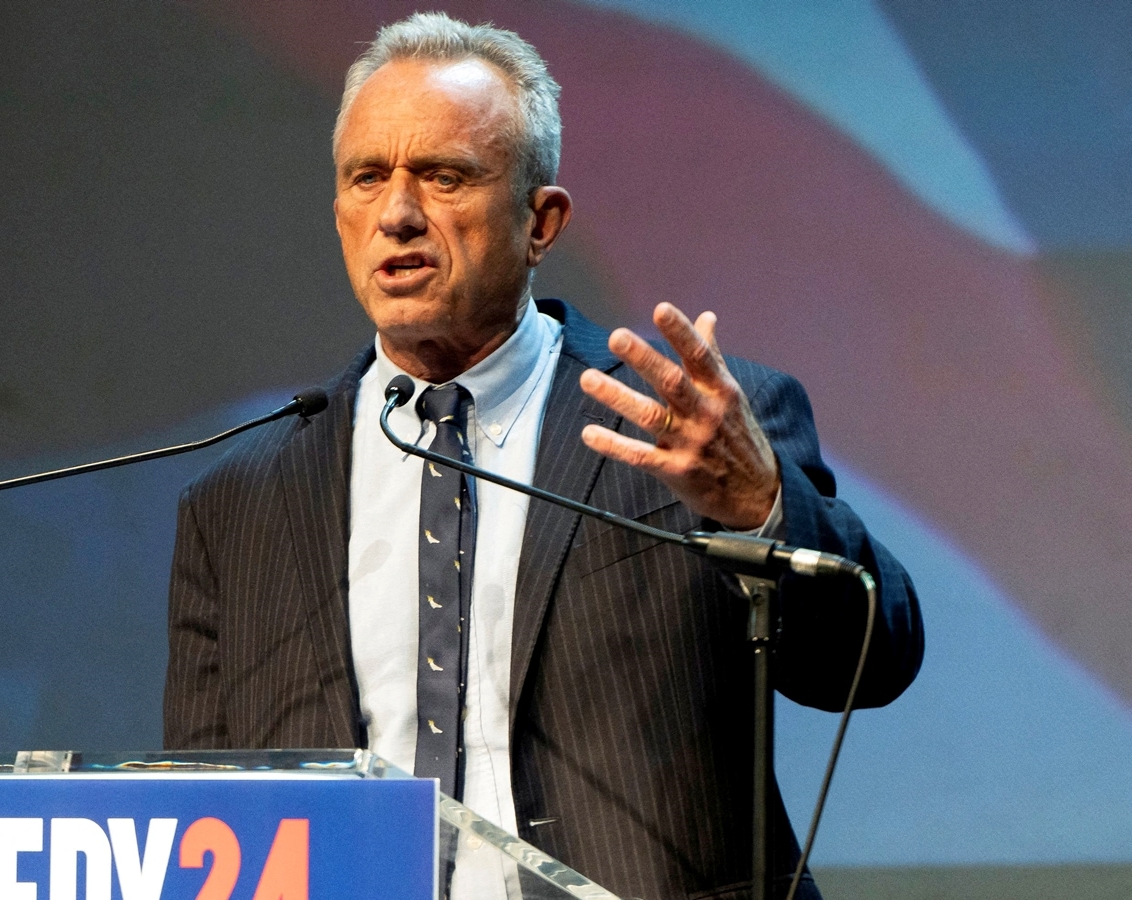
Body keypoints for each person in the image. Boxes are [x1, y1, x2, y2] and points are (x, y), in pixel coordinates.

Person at [164, 13, 922, 900]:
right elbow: (204, 822)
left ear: (541, 221)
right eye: (368, 178)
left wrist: (762, 507)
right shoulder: (241, 502)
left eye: (445, 176)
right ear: (339, 214)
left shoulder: (693, 431)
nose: (398, 213)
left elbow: (870, 663)